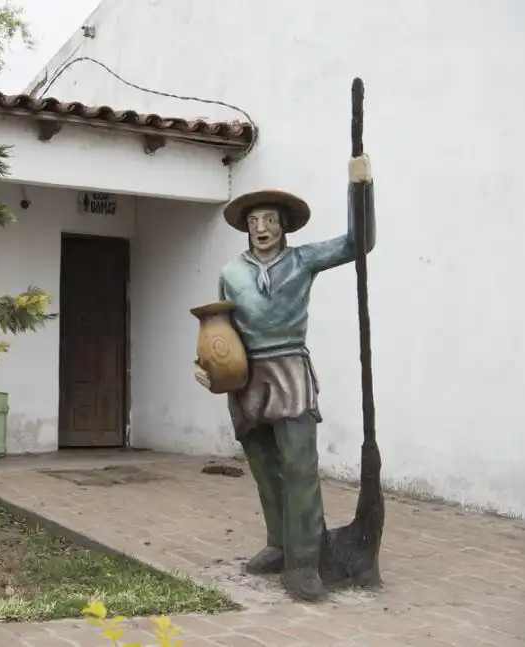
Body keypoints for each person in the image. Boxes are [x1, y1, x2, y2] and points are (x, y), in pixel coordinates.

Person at [193, 154, 375, 601]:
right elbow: (218, 328)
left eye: (270, 219)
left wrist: (360, 188)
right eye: (254, 220)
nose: (261, 227)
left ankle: (305, 560)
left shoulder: (304, 260)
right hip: (247, 377)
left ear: (283, 225)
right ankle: (278, 543)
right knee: (263, 467)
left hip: (290, 369)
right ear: (246, 227)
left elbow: (359, 242)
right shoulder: (230, 273)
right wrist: (211, 369)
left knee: (299, 468)